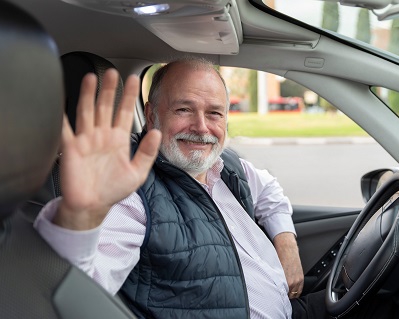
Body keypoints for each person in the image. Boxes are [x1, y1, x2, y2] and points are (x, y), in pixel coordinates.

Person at [35, 57, 325, 318]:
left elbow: (270, 192)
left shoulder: (227, 165)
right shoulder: (130, 191)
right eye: (184, 109)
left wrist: (286, 244)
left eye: (214, 113)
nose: (201, 127)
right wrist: (79, 219)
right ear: (151, 116)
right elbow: (79, 293)